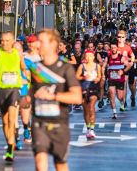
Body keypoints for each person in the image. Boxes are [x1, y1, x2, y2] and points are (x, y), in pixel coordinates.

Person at [31, 29, 82, 171]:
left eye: (41, 41)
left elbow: (77, 97)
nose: (37, 45)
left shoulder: (65, 68)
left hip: (59, 123)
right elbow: (29, 95)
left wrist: (53, 96)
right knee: (40, 161)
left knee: (60, 164)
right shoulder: (35, 68)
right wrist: (24, 99)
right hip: (39, 122)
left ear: (53, 44)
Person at [0, 31, 25, 161]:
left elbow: (23, 67)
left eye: (7, 40)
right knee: (5, 120)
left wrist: (27, 75)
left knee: (12, 119)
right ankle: (9, 142)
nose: (4, 43)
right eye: (2, 40)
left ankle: (9, 149)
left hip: (14, 89)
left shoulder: (17, 53)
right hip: (1, 89)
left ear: (13, 41)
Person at [18, 34, 41, 148]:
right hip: (26, 87)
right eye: (29, 42)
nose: (31, 44)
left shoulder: (41, 56)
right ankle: (27, 129)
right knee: (25, 111)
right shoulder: (24, 56)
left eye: (33, 42)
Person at [76, 51, 101, 139]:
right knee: (86, 110)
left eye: (90, 56)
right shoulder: (81, 66)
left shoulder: (97, 66)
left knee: (91, 107)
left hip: (93, 89)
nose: (88, 58)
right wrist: (83, 77)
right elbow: (77, 76)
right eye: (86, 56)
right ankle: (88, 128)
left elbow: (99, 76)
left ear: (93, 57)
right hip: (83, 90)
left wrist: (97, 79)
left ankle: (92, 129)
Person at [108, 39, 132, 119]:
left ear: (116, 49)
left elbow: (129, 65)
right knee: (111, 94)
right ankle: (114, 113)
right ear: (110, 49)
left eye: (114, 48)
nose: (113, 49)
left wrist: (123, 71)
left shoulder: (121, 57)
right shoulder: (108, 57)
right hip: (111, 79)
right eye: (112, 48)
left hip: (120, 80)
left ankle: (122, 102)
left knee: (120, 97)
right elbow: (103, 65)